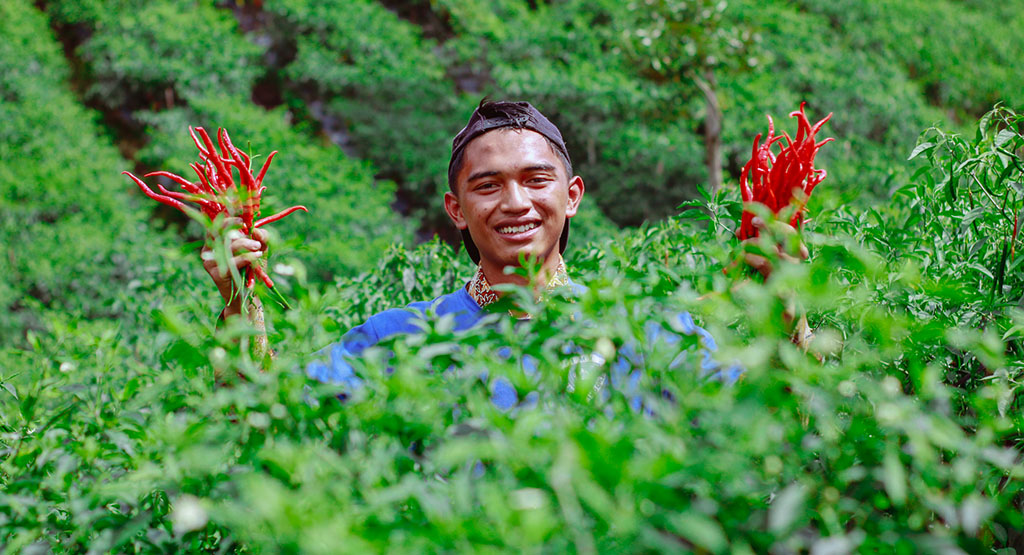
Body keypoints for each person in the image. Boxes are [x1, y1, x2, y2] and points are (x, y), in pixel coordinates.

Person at [203, 100, 738, 406]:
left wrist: (787, 305)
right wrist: (239, 302)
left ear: (571, 197)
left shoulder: (650, 329)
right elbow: (265, 413)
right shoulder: (400, 338)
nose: (515, 202)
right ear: (456, 209)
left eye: (536, 180)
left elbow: (776, 428)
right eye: (487, 186)